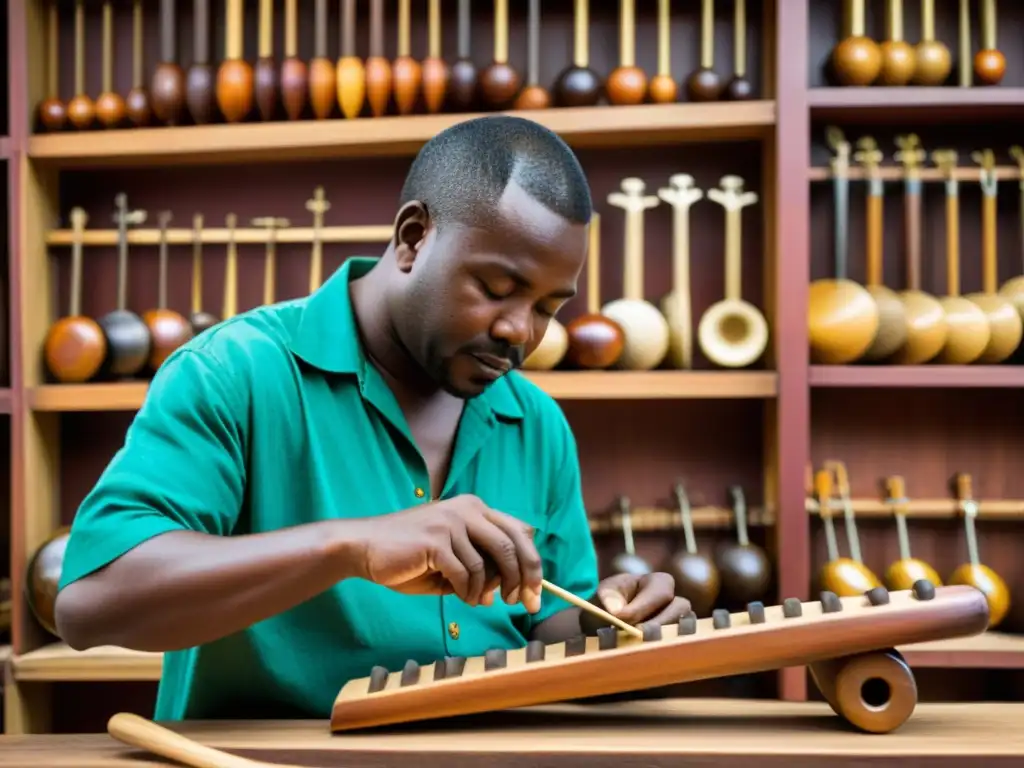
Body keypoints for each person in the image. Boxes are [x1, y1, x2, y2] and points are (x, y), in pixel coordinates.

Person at [54, 115, 691, 721]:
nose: (518, 330)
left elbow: (538, 623)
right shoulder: (235, 371)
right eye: (496, 290)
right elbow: (92, 602)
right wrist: (353, 546)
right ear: (413, 237)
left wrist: (602, 623)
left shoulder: (536, 422)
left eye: (549, 307)